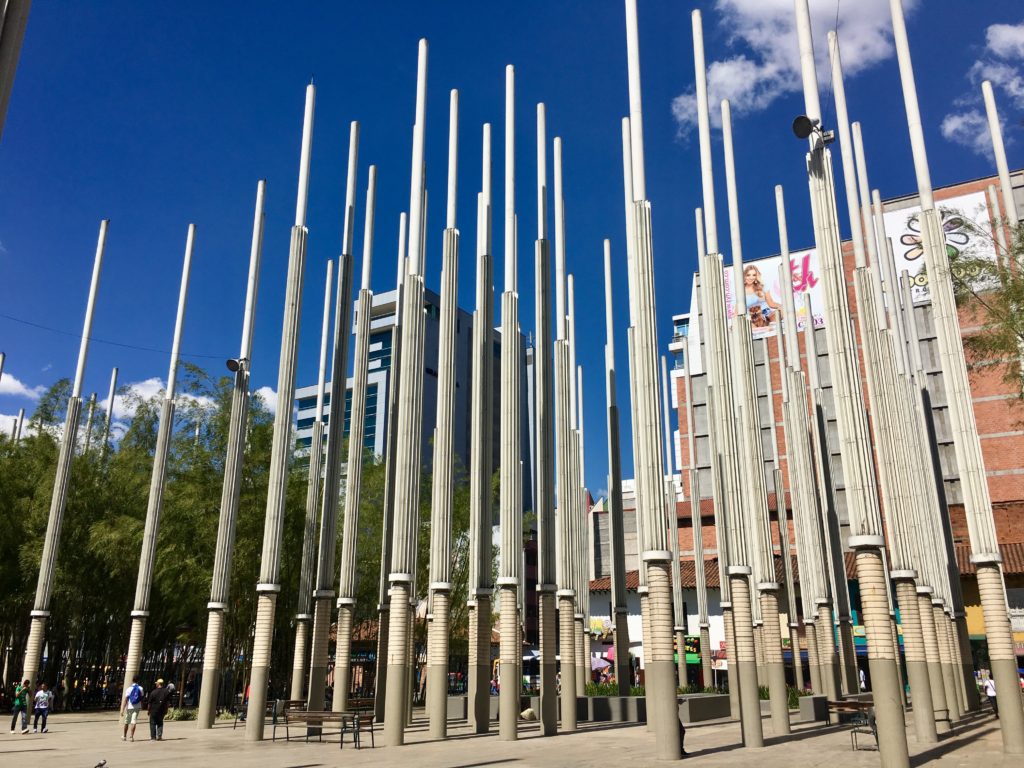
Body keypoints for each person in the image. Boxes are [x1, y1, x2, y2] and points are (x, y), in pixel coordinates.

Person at [742, 264, 783, 329]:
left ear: (756, 276)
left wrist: (782, 307)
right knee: (745, 324)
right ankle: (764, 329)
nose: (751, 277)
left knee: (782, 311)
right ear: (744, 276)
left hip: (767, 315)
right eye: (748, 275)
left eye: (754, 275)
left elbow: (771, 303)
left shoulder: (762, 286)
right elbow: (738, 311)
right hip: (752, 319)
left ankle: (768, 327)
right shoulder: (741, 290)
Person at [120, 676, 144, 741]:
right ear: (138, 680)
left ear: (132, 680)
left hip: (129, 707)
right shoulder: (141, 688)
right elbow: (141, 698)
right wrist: (142, 706)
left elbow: (125, 700)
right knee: (134, 722)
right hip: (137, 707)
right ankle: (131, 736)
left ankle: (124, 736)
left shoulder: (129, 689)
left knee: (127, 722)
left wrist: (122, 709)